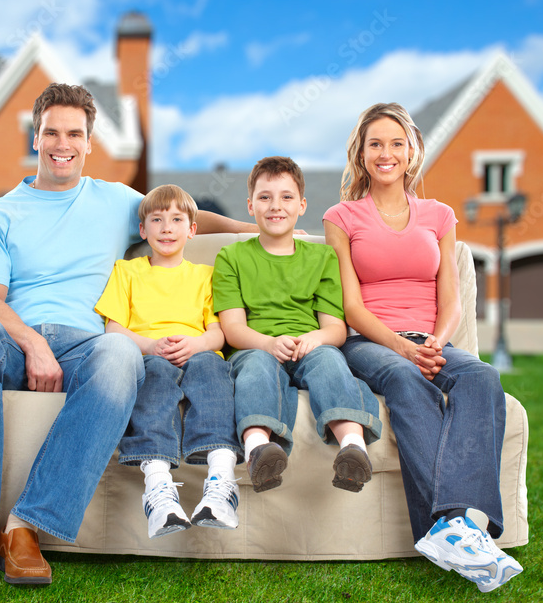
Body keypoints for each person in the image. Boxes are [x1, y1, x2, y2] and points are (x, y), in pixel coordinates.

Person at [0, 83, 257, 586]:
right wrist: (34, 344)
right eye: (52, 132)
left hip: (88, 343)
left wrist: (259, 229)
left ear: (89, 142)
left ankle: (26, 526)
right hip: (14, 342)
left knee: (120, 353)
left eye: (75, 134)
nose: (63, 143)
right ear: (35, 138)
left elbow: (184, 216)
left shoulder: (115, 202)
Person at [323, 103, 523, 593]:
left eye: (396, 143)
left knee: (481, 375)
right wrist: (401, 348)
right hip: (370, 340)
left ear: (412, 152)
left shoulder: (440, 215)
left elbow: (450, 297)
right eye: (375, 144)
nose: (386, 153)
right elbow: (350, 306)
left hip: (429, 338)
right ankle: (456, 524)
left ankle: (454, 531)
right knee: (407, 378)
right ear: (361, 154)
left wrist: (435, 340)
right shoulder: (341, 216)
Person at [214, 156, 381, 494]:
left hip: (310, 344)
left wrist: (313, 339)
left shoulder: (322, 258)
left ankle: (352, 447)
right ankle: (258, 449)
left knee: (331, 360)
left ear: (302, 205)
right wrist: (267, 343)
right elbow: (233, 329)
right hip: (255, 346)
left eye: (287, 197)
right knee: (257, 369)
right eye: (265, 197)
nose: (276, 206)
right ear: (250, 205)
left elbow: (335, 329)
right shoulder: (230, 258)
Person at [95, 184, 240, 539]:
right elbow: (114, 328)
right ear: (143, 230)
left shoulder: (205, 275)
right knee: (155, 377)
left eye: (177, 220)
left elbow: (218, 332)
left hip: (198, 351)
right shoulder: (126, 272)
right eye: (157, 220)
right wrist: (149, 346)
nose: (166, 228)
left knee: (211, 368)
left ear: (192, 229)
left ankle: (221, 480)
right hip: (150, 354)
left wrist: (196, 344)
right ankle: (159, 488)